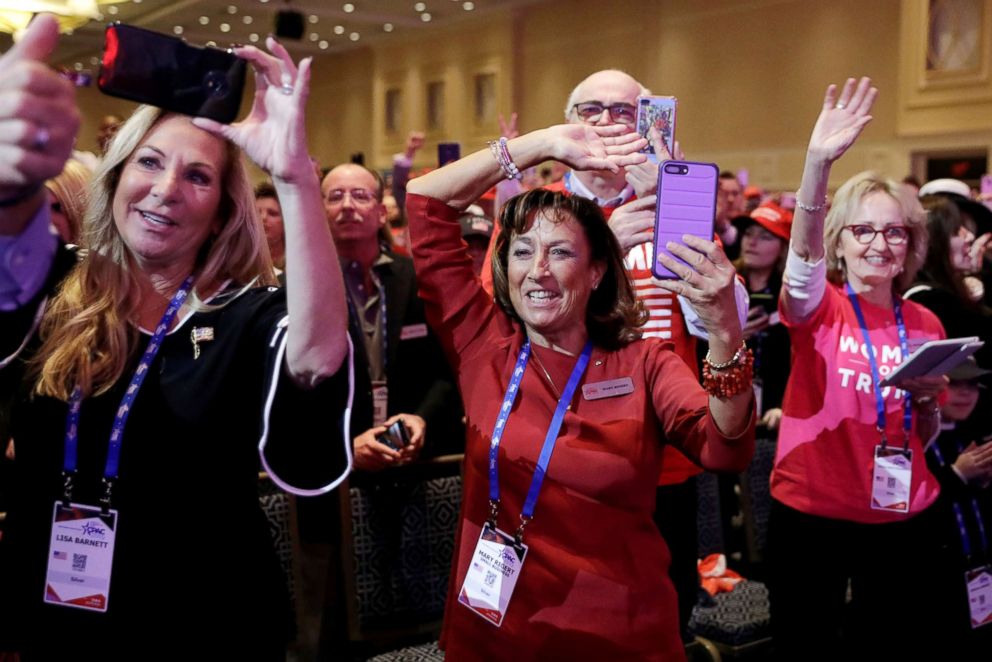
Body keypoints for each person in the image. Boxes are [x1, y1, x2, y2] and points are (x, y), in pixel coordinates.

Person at [0, 28, 353, 658]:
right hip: (59, 616)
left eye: (197, 176)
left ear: (220, 209)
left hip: (205, 621)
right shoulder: (53, 283)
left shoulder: (245, 312)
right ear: (117, 175)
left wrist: (297, 180)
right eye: (150, 162)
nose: (166, 190)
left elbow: (317, 357)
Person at [405, 122, 755, 660]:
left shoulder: (644, 362)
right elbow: (426, 203)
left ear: (596, 271)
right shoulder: (485, 347)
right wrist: (540, 145)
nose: (538, 272)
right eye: (522, 252)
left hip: (617, 634)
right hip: (495, 633)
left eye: (561, 254)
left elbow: (723, 445)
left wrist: (724, 330)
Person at [483, 71, 750, 641]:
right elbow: (499, 320)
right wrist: (604, 242)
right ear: (568, 123)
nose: (606, 122)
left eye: (624, 111)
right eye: (591, 109)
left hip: (659, 450)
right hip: (552, 447)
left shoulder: (671, 203)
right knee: (553, 620)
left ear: (651, 122)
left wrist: (682, 206)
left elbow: (725, 318)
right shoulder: (535, 210)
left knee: (657, 612)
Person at [767, 77, 948, 659]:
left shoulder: (925, 322)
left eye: (894, 231)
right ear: (837, 243)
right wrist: (816, 165)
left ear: (910, 244)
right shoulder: (819, 307)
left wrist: (925, 402)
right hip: (814, 517)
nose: (879, 244)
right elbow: (798, 272)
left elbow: (924, 436)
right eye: (863, 230)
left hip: (902, 515)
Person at [321, 163, 462, 470]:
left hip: (413, 456)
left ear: (381, 213)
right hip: (337, 465)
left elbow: (446, 370)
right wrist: (342, 446)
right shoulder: (301, 289)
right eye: (335, 196)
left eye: (360, 195)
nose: (347, 205)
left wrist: (422, 419)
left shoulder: (416, 279)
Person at [735, 201, 793, 429]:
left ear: (783, 248)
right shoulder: (724, 284)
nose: (752, 241)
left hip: (775, 415)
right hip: (723, 407)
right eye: (748, 233)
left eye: (765, 236)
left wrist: (784, 405)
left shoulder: (792, 296)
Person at [255, 181, 286, 273]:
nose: (263, 218)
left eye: (272, 213)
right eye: (257, 212)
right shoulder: (241, 263)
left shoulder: (299, 262)